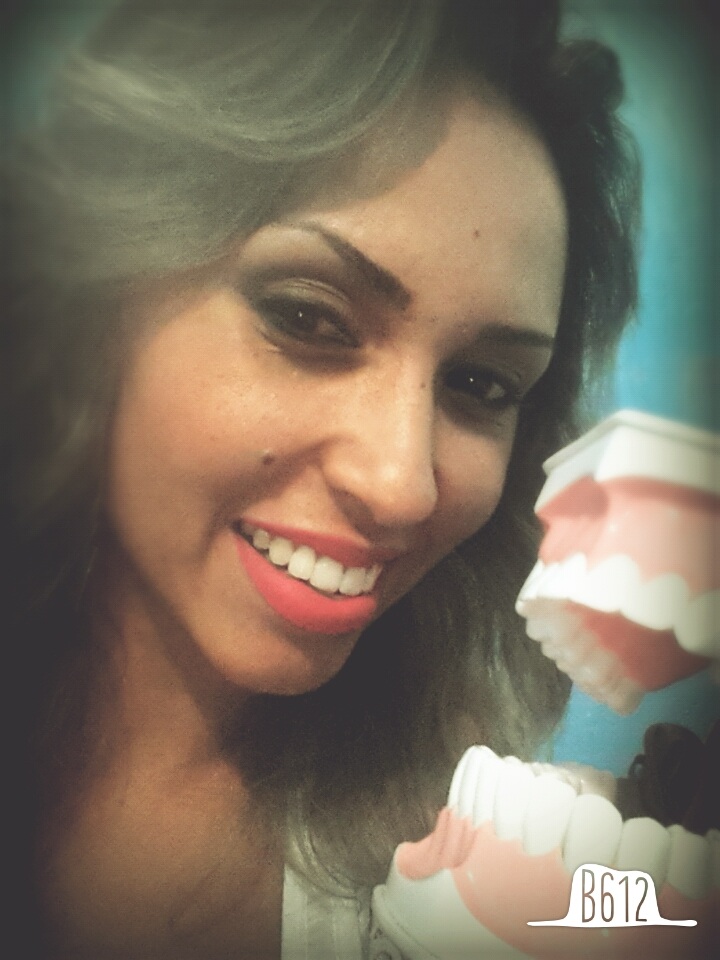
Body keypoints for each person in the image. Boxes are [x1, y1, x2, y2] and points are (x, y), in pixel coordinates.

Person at [3, 1, 640, 956]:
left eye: (480, 384)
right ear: (92, 292)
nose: (402, 487)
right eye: (308, 318)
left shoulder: (461, 882)